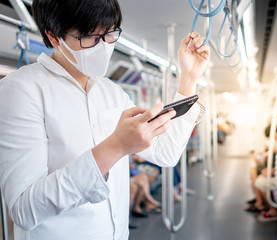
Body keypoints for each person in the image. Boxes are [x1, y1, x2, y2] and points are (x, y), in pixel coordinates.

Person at [0, 0, 210, 239]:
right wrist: (116, 147)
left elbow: (166, 153)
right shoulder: (21, 91)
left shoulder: (112, 93)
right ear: (54, 36)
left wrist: (188, 79)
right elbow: (24, 210)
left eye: (110, 34)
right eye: (91, 37)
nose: (104, 46)